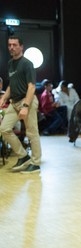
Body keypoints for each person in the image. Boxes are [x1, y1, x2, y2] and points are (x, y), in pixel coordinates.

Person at [0, 36, 42, 174]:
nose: (12, 47)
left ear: (21, 46)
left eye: (15, 45)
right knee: (4, 129)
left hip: (26, 101)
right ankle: (23, 156)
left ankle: (35, 163)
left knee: (31, 133)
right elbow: (11, 85)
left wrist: (25, 106)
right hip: (14, 102)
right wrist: (4, 98)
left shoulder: (27, 64)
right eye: (9, 45)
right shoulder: (11, 63)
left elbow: (31, 87)